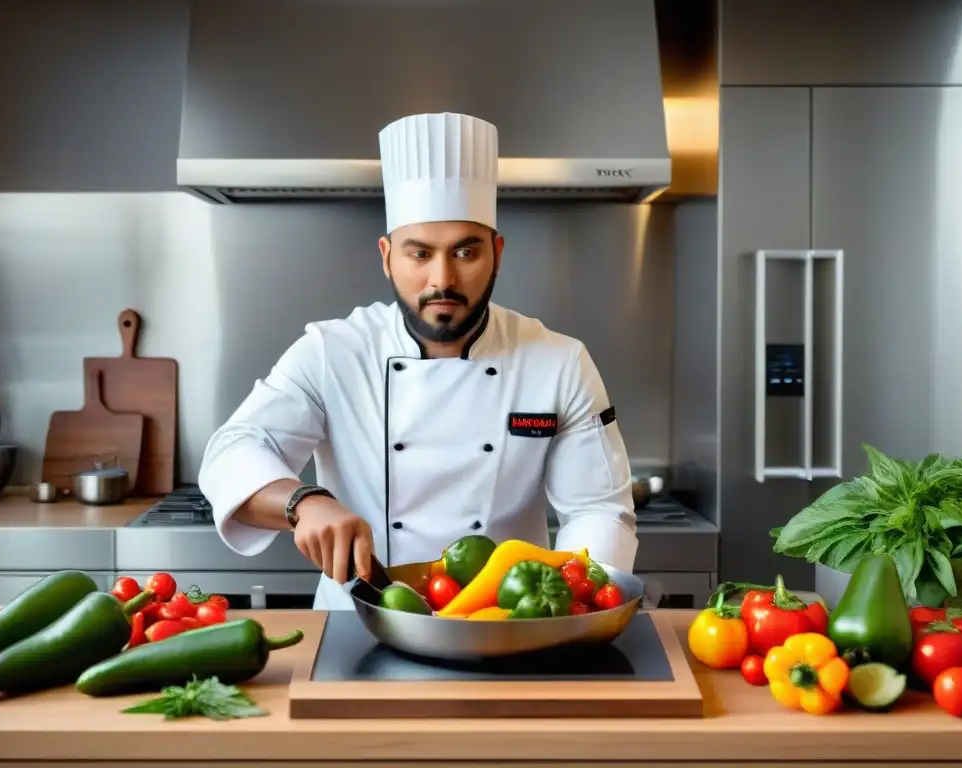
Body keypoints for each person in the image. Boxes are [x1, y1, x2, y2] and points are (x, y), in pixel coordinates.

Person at [198, 112, 638, 611]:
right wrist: (305, 502)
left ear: (496, 252)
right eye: (419, 253)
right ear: (387, 256)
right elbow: (232, 450)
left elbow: (598, 509)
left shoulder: (558, 361)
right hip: (356, 620)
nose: (442, 279)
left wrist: (572, 609)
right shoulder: (334, 352)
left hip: (507, 622)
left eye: (465, 252)